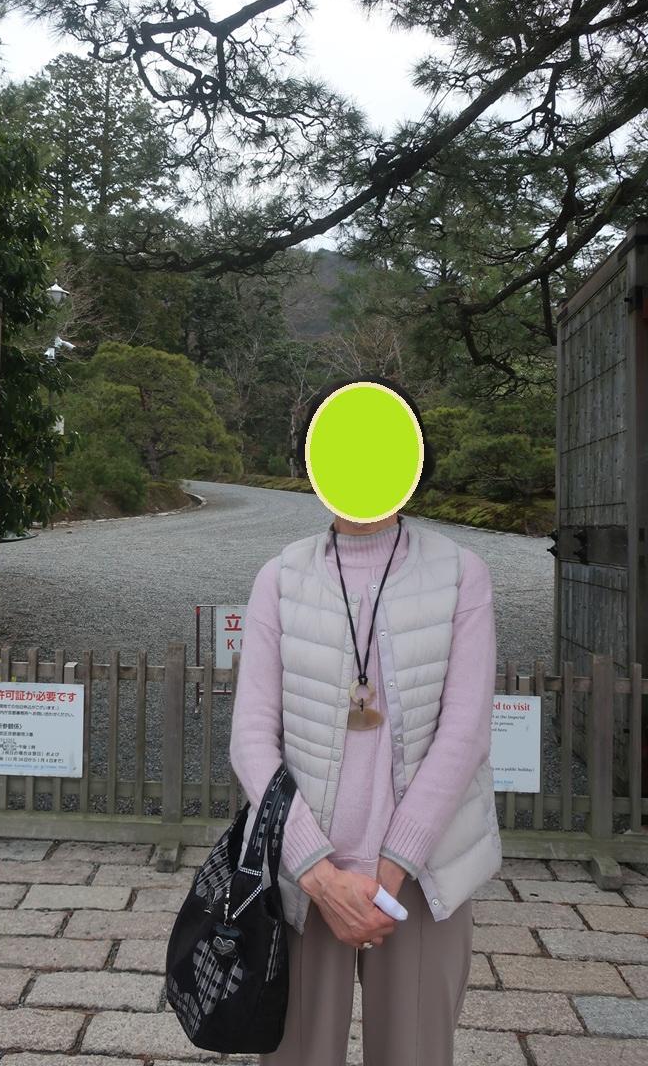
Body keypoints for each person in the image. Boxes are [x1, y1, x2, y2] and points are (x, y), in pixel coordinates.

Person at [229, 374, 501, 1066]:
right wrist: (318, 873)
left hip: (423, 878)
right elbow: (252, 739)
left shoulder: (462, 575)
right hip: (302, 877)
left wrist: (393, 866)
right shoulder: (280, 578)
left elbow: (464, 733)